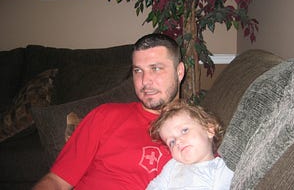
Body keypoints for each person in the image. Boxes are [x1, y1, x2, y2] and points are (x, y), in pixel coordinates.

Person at [33, 33, 185, 190]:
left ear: (179, 72)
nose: (145, 81)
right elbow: (57, 181)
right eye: (138, 71)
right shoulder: (105, 115)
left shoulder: (197, 133)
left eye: (156, 68)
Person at [147, 100, 234, 190]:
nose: (177, 142)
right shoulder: (172, 166)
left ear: (209, 130)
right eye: (171, 142)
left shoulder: (221, 168)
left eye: (184, 130)